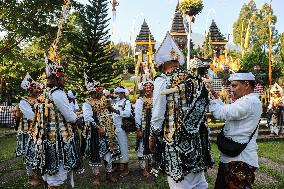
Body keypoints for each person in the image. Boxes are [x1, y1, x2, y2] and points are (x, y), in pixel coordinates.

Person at [150, 32, 213, 189]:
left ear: (163, 65)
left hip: (174, 139)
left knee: (179, 182)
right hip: (195, 139)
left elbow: (158, 114)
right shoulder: (194, 81)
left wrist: (154, 135)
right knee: (198, 181)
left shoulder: (162, 81)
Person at [26, 59, 81, 189]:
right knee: (56, 174)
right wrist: (78, 118)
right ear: (54, 78)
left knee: (49, 171)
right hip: (59, 139)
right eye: (62, 76)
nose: (64, 79)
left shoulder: (45, 93)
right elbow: (69, 116)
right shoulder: (58, 94)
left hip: (45, 137)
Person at [208, 70, 262, 189]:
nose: (231, 89)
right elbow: (228, 110)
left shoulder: (249, 102)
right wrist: (216, 98)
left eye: (234, 85)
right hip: (234, 157)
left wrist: (209, 100)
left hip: (240, 159)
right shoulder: (247, 101)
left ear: (246, 84)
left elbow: (221, 113)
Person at [82, 73, 120, 186]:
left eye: (99, 89)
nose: (98, 92)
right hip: (96, 131)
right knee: (96, 151)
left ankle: (109, 174)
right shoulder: (87, 103)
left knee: (109, 150)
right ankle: (97, 176)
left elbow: (110, 107)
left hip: (109, 128)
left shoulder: (104, 99)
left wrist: (117, 111)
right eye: (96, 90)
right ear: (91, 92)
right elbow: (88, 118)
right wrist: (98, 128)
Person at [15, 73, 43, 186]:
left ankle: (38, 174)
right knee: (29, 153)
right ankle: (30, 176)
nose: (38, 88)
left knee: (39, 152)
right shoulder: (24, 101)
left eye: (39, 86)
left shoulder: (42, 100)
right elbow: (30, 116)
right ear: (30, 89)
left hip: (39, 130)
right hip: (27, 130)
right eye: (36, 87)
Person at [134, 80, 154, 177]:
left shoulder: (156, 99)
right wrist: (138, 129)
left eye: (150, 86)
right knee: (142, 146)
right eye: (146, 86)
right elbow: (137, 115)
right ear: (143, 88)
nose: (149, 88)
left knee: (153, 145)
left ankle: (150, 165)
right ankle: (143, 168)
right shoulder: (140, 100)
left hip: (153, 126)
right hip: (143, 126)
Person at [111, 86, 131, 176]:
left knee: (123, 147)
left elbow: (127, 113)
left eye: (118, 93)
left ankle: (126, 168)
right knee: (117, 148)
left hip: (122, 128)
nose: (116, 95)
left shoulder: (127, 102)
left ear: (123, 93)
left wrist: (115, 111)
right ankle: (119, 167)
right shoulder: (116, 102)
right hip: (114, 128)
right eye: (116, 93)